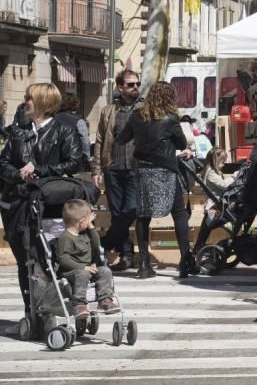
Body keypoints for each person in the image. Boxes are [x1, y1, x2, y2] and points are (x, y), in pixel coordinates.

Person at [0, 83, 84, 313]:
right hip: (18, 204)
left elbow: (74, 161)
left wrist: (40, 170)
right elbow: (3, 163)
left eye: (30, 98)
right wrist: (18, 173)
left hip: (49, 206)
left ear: (43, 103)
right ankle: (31, 310)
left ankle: (58, 305)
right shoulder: (19, 132)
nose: (25, 101)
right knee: (24, 260)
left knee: (51, 258)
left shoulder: (63, 130)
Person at [117, 81, 197, 279]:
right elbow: (181, 142)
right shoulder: (170, 118)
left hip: (143, 170)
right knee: (179, 214)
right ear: (169, 98)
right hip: (166, 170)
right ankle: (186, 261)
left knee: (143, 216)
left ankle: (144, 265)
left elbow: (122, 138)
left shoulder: (137, 116)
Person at [93, 69, 143, 271]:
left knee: (129, 210)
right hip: (112, 168)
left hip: (135, 168)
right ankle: (127, 255)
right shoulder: (108, 111)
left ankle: (104, 244)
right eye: (131, 85)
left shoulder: (145, 109)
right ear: (120, 87)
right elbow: (99, 141)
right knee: (116, 213)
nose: (135, 88)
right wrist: (96, 169)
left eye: (137, 84)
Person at [55, 199, 118, 318]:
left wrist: (91, 227)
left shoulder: (85, 233)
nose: (91, 222)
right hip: (71, 271)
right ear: (81, 221)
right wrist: (83, 267)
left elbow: (96, 244)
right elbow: (63, 259)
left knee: (105, 271)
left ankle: (105, 299)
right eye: (89, 220)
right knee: (82, 273)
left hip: (88, 268)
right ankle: (79, 303)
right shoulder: (65, 238)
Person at [193, 148, 234, 253]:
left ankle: (199, 246)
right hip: (214, 207)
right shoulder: (211, 172)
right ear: (216, 160)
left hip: (216, 205)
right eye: (223, 161)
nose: (224, 163)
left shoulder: (214, 171)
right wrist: (234, 177)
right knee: (205, 229)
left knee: (205, 229)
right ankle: (198, 247)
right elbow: (224, 185)